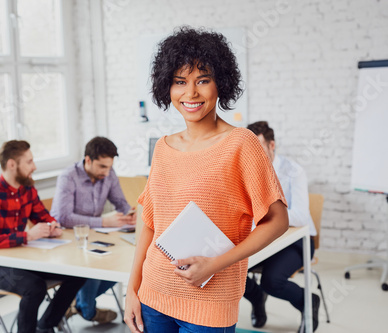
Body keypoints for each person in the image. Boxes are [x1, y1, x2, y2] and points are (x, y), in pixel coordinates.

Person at [124, 26, 289, 333]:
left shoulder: (242, 143)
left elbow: (277, 221)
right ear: (167, 87)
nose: (191, 93)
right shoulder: (163, 147)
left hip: (211, 301)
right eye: (180, 82)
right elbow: (149, 221)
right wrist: (131, 289)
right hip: (153, 293)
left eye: (203, 80)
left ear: (220, 83)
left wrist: (214, 264)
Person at [0, 140, 86, 333]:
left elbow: (42, 216)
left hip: (22, 260)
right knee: (35, 288)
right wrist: (26, 236)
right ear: (11, 164)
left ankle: (45, 325)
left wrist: (52, 226)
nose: (34, 167)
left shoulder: (27, 190)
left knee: (79, 272)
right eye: (29, 162)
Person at [244, 121, 320, 332]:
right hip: (264, 238)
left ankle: (308, 302)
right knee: (229, 270)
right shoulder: (247, 172)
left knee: (272, 280)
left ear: (272, 145)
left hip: (297, 240)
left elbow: (301, 216)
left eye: (259, 147)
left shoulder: (294, 171)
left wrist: (264, 214)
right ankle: (257, 298)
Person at [51, 136, 136, 324]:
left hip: (93, 237)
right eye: (102, 167)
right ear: (88, 160)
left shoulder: (108, 173)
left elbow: (120, 201)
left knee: (122, 265)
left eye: (109, 166)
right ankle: (87, 310)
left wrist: (130, 213)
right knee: (97, 266)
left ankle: (77, 302)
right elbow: (63, 218)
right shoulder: (68, 177)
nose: (107, 172)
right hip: (68, 240)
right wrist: (103, 222)